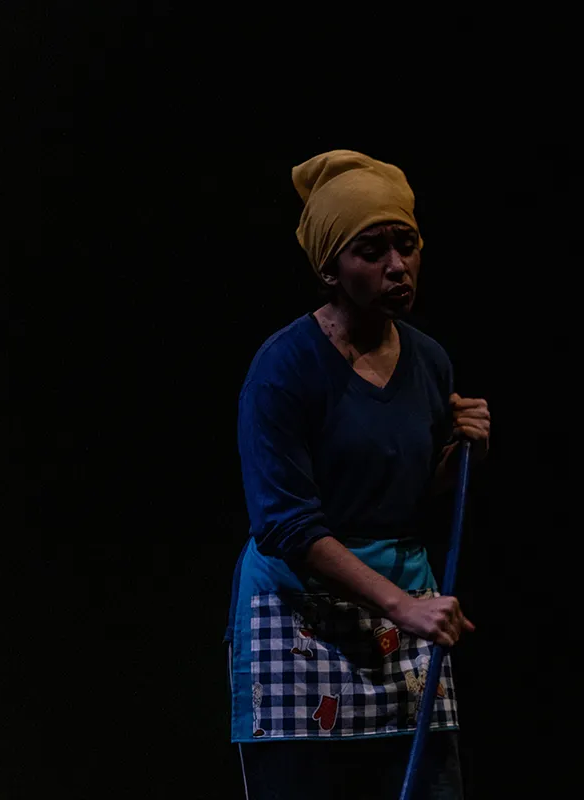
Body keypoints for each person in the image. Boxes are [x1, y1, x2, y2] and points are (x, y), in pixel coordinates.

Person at [224, 150, 491, 799]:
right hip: (303, 618)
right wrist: (404, 606)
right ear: (329, 269)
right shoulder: (284, 370)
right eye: (371, 251)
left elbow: (408, 495)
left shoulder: (429, 362)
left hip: (401, 614)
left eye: (407, 245)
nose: (397, 266)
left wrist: (464, 454)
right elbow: (287, 526)